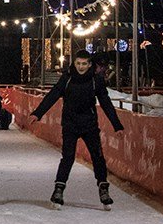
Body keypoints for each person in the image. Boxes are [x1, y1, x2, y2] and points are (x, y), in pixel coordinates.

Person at [31, 49, 125, 208]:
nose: (81, 67)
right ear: (74, 63)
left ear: (89, 64)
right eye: (78, 63)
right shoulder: (67, 79)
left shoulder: (96, 81)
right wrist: (38, 113)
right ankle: (58, 190)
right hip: (70, 124)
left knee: (97, 157)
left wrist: (117, 125)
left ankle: (103, 188)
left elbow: (106, 103)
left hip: (89, 125)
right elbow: (52, 95)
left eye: (84, 64)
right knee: (67, 157)